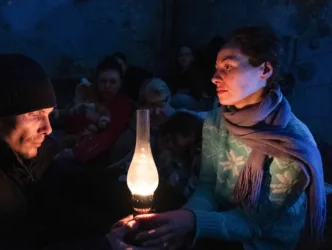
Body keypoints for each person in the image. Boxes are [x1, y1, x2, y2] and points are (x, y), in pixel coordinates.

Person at [129, 26, 326, 250]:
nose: (214, 78)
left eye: (228, 66)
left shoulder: (291, 145)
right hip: (222, 218)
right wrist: (184, 219)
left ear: (265, 70)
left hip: (263, 241)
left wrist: (192, 222)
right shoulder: (217, 120)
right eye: (216, 68)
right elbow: (208, 185)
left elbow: (253, 223)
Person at [0, 54, 138, 250]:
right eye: (33, 115)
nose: (47, 129)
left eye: (48, 114)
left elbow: (68, 188)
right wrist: (102, 246)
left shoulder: (25, 153)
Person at [57, 57, 134, 168]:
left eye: (112, 82)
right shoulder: (90, 99)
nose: (107, 86)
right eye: (103, 81)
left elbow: (110, 134)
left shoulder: (123, 105)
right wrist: (78, 103)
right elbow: (70, 126)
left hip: (100, 159)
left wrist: (76, 153)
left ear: (120, 83)